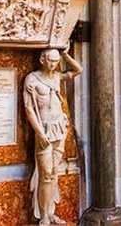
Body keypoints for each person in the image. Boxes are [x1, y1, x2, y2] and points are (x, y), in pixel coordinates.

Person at [24, 48, 82, 225]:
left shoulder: (57, 76)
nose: (53, 64)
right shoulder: (32, 79)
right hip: (45, 130)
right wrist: (39, 132)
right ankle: (43, 216)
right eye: (50, 60)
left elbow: (78, 70)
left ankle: (51, 212)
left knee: (55, 171)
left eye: (56, 61)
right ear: (42, 59)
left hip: (59, 128)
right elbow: (29, 109)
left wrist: (65, 55)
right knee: (46, 174)